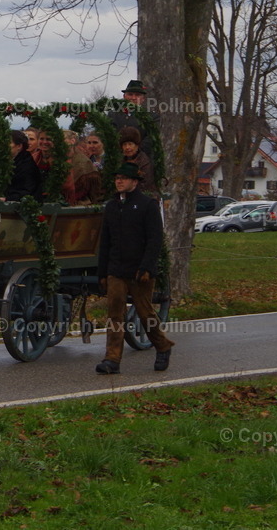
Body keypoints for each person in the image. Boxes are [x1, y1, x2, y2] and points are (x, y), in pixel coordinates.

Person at [95, 162, 174, 374]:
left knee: (144, 312)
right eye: (116, 178)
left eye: (123, 178)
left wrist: (147, 267)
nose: (118, 181)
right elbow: (105, 242)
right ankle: (112, 359)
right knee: (115, 313)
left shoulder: (147, 205)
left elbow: (154, 239)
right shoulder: (112, 206)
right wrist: (103, 273)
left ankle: (163, 346)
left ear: (134, 182)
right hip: (116, 269)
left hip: (140, 270)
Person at [2, 130, 42, 202]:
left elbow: (26, 190)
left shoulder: (27, 165)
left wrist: (7, 199)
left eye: (8, 142)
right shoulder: (6, 162)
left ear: (19, 146)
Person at [118, 126, 156, 195]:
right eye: (124, 145)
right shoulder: (120, 161)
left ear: (137, 146)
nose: (127, 147)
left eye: (130, 144)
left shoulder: (144, 161)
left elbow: (145, 184)